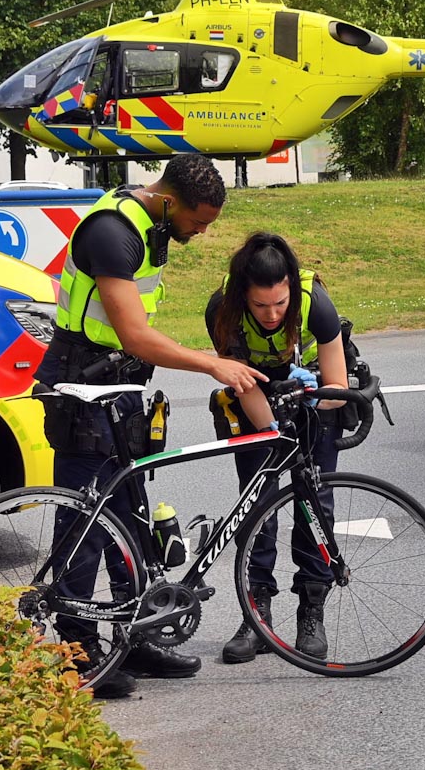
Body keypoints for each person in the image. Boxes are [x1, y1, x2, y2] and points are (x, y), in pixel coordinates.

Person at [35, 155, 267, 698]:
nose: (202, 232)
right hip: (83, 385)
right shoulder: (113, 233)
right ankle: (77, 652)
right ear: (169, 201)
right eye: (199, 220)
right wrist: (212, 364)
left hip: (120, 385)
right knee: (86, 522)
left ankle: (133, 636)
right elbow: (134, 334)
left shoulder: (149, 225)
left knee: (132, 516)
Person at [204, 233, 350, 664]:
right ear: (243, 296)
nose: (271, 315)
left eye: (280, 304)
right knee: (256, 504)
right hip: (256, 401)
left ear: (291, 288)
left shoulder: (315, 301)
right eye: (261, 305)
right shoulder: (222, 309)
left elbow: (337, 387)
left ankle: (311, 609)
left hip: (313, 402)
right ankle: (257, 614)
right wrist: (274, 431)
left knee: (314, 505)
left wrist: (309, 399)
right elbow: (242, 384)